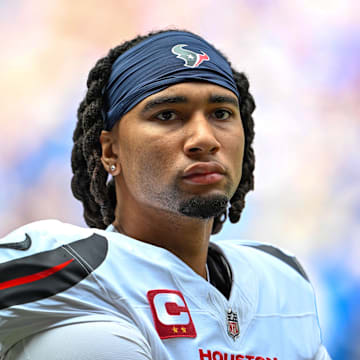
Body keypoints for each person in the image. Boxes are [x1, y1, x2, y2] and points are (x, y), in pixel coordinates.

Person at [0, 29, 331, 360]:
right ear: (110, 152)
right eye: (167, 114)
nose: (204, 138)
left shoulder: (282, 280)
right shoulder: (77, 266)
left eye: (221, 113)